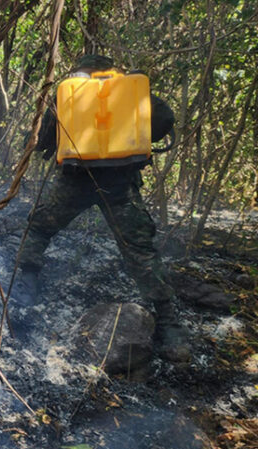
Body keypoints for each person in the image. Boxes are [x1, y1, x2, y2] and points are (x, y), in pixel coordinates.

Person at [12, 54, 191, 363]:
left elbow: (42, 139)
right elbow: (164, 120)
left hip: (75, 180)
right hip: (119, 183)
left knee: (40, 227)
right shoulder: (129, 91)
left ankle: (27, 288)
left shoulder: (69, 92)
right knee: (140, 251)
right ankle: (169, 325)